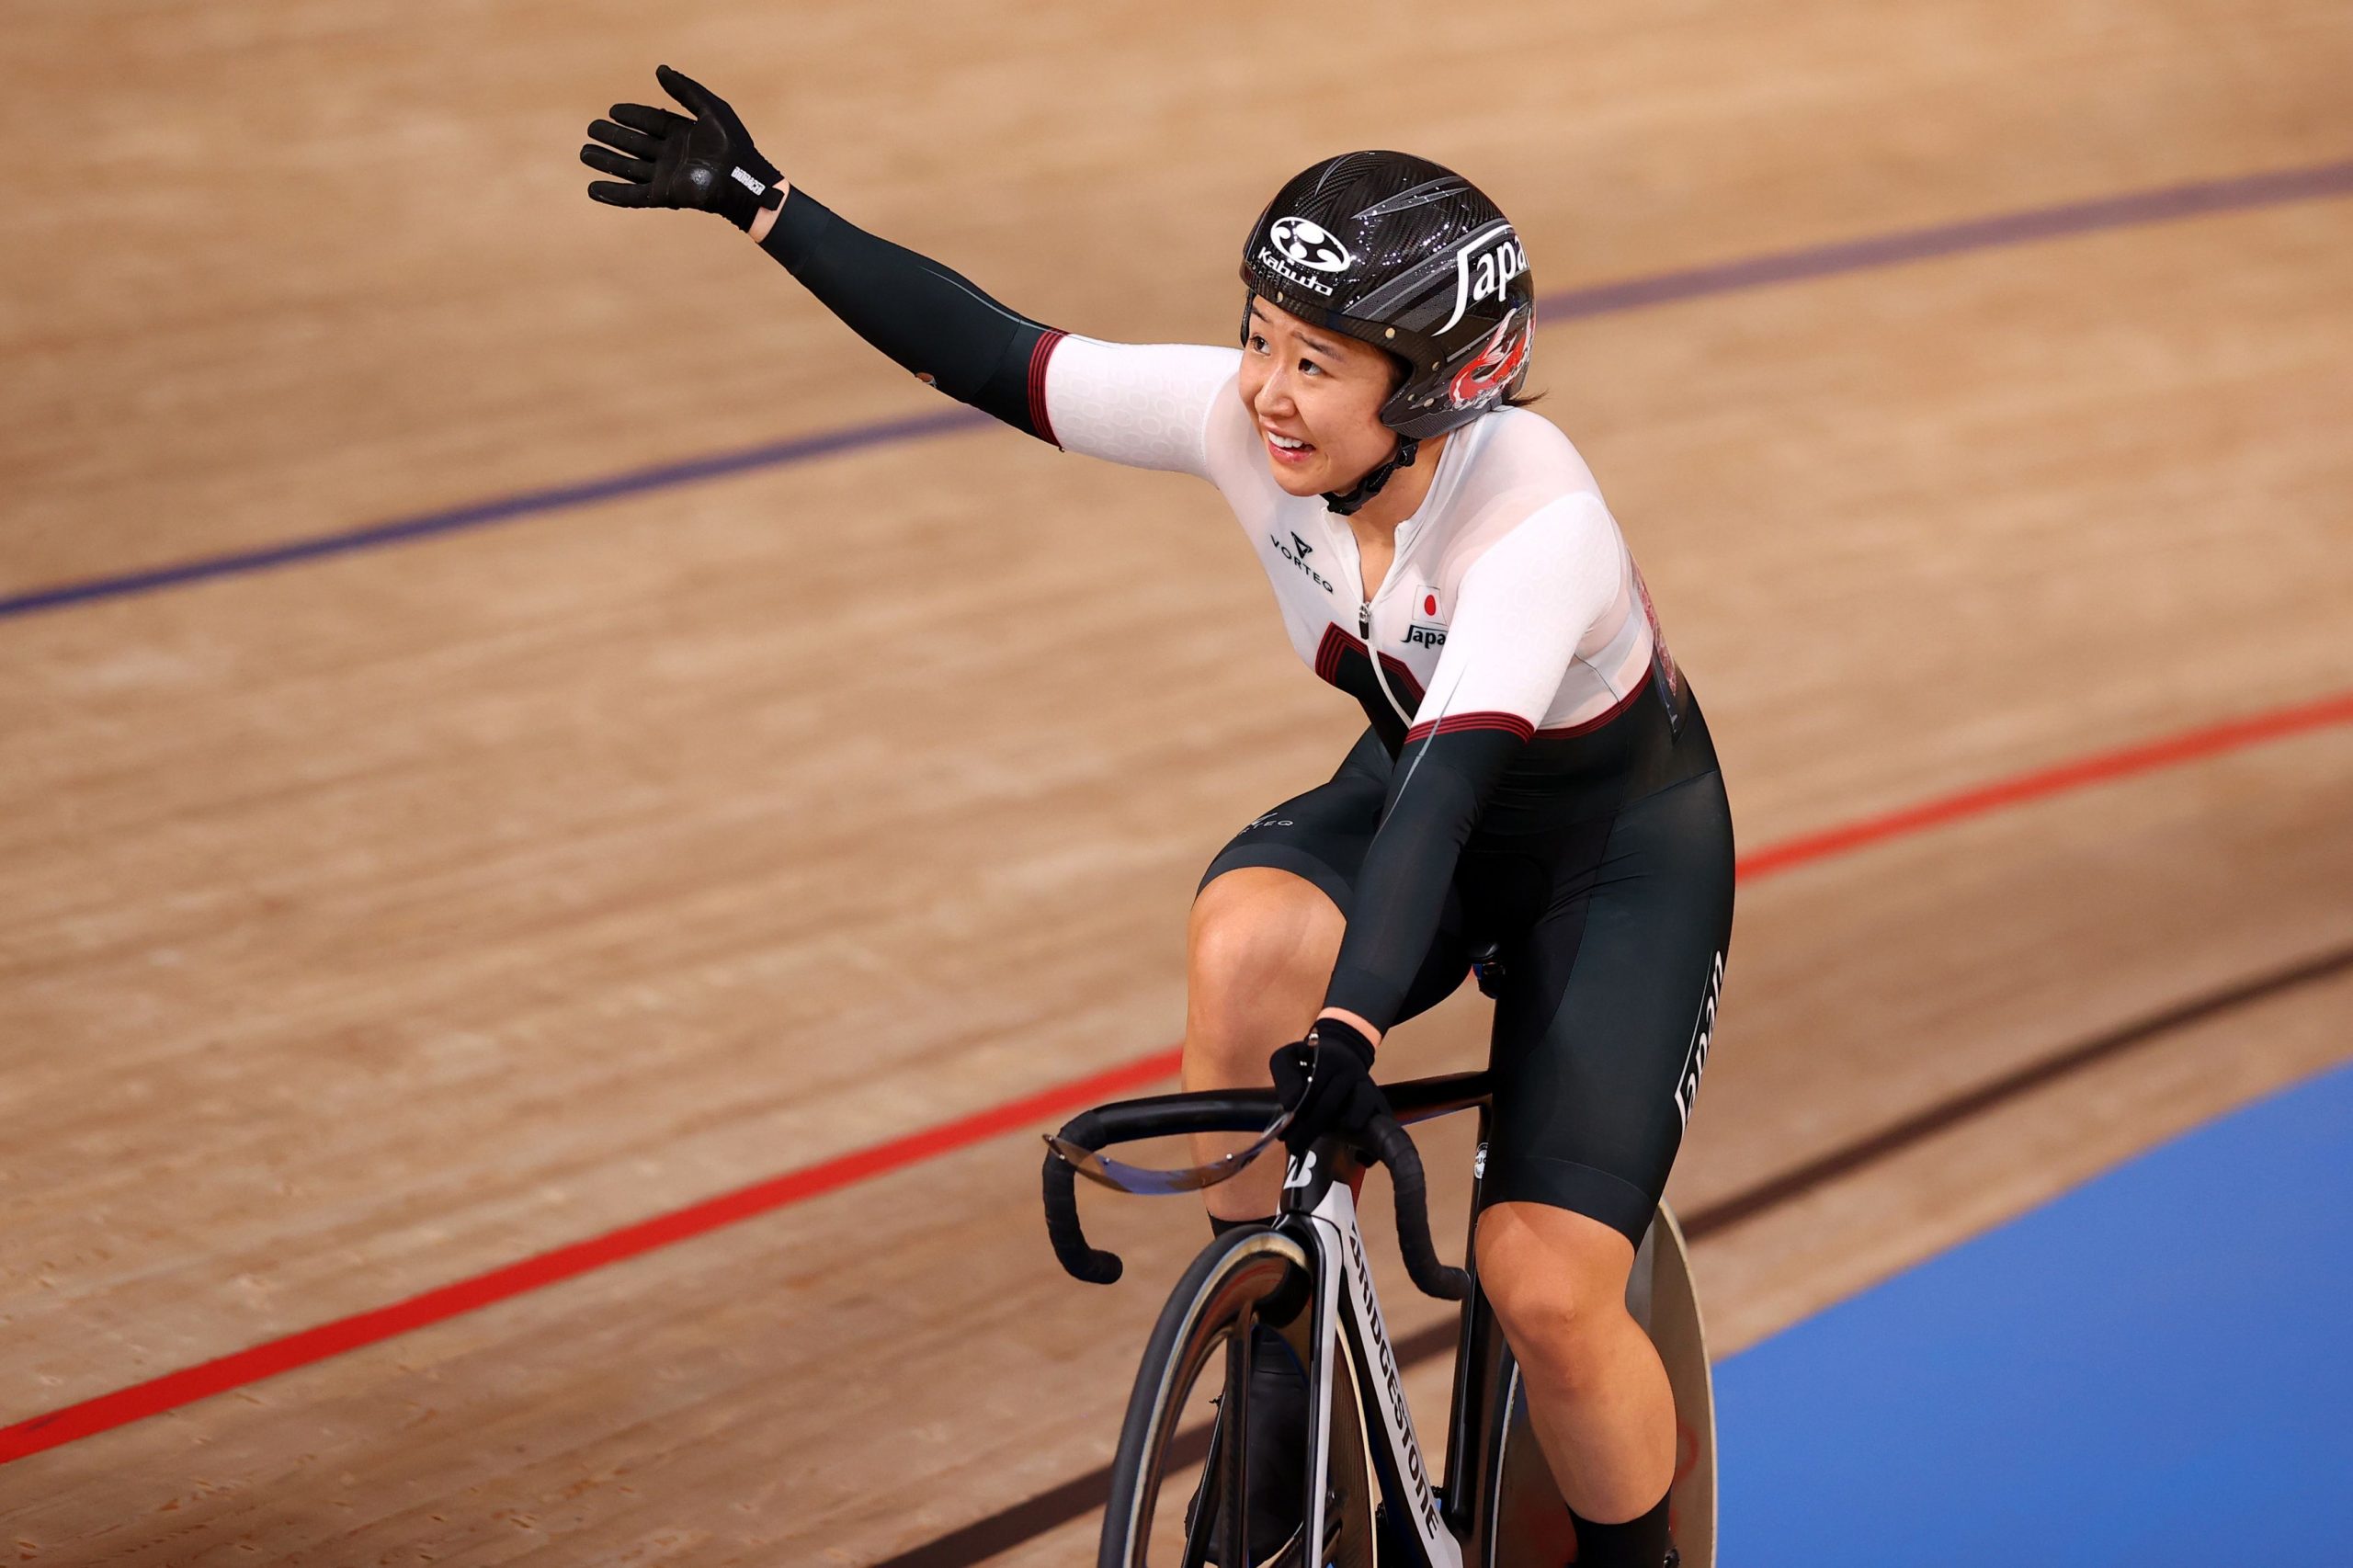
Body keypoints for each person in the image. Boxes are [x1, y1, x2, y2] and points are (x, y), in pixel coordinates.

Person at [583, 66, 1733, 1568]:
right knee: (1247, 939)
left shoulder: (1537, 523)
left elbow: (1452, 799)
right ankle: (1274, 1393)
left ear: (1440, 386)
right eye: (1259, 336)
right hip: (1421, 785)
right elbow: (999, 357)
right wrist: (765, 207)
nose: (1264, 388)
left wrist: (1358, 1031)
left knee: (1543, 1287)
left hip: (1612, 855)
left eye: (1315, 361)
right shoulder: (1248, 428)